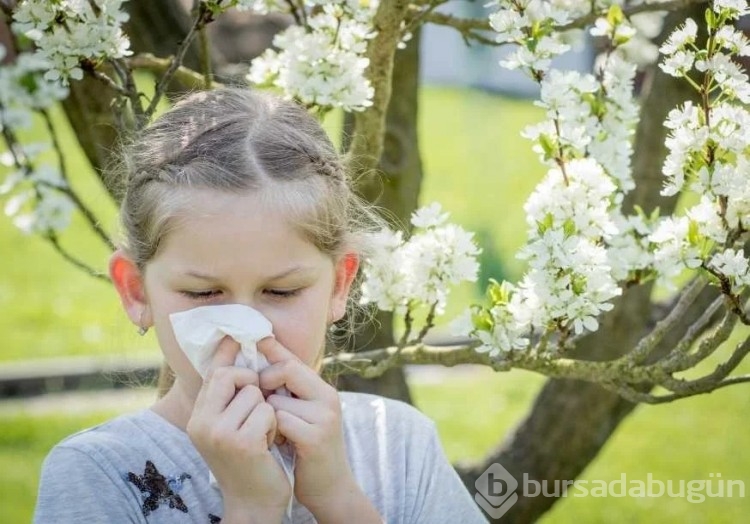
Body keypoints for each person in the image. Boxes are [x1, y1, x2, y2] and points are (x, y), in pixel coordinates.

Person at [33, 88, 489, 523]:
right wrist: (252, 510)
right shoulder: (97, 475)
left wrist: (336, 497)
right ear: (137, 291)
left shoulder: (398, 445)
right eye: (203, 294)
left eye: (282, 291)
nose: (245, 328)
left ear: (339, 285)